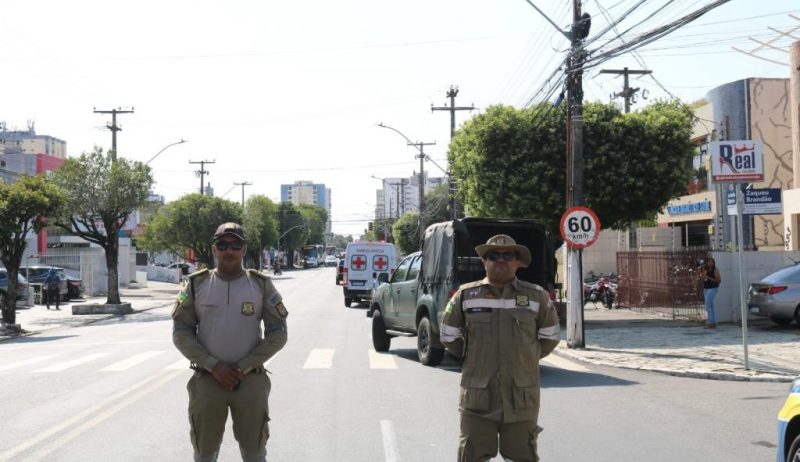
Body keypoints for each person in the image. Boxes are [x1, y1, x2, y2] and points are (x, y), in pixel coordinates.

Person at [172, 222, 288, 462]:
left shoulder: (260, 284)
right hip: (207, 381)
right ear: (214, 249)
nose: (229, 251)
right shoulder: (196, 284)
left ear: (244, 249)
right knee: (204, 455)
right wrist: (213, 365)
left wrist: (242, 366)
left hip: (250, 382)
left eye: (235, 245)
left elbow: (278, 332)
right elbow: (181, 331)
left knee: (255, 454)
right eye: (222, 245)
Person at [440, 234, 560, 462]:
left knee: (522, 457)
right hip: (477, 397)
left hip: (521, 397)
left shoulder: (537, 297)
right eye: (493, 256)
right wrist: (473, 357)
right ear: (484, 262)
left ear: (517, 261)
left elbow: (550, 337)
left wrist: (526, 357)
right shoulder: (466, 295)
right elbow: (448, 335)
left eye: (508, 255)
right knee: (472, 457)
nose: (500, 260)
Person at [700, 257, 721, 329]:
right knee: (710, 306)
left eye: (712, 262)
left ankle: (711, 322)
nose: (710, 263)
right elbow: (704, 279)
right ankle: (713, 322)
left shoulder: (715, 270)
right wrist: (702, 276)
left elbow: (719, 281)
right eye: (709, 262)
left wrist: (708, 277)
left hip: (713, 288)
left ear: (713, 262)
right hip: (706, 288)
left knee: (707, 306)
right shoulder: (705, 269)